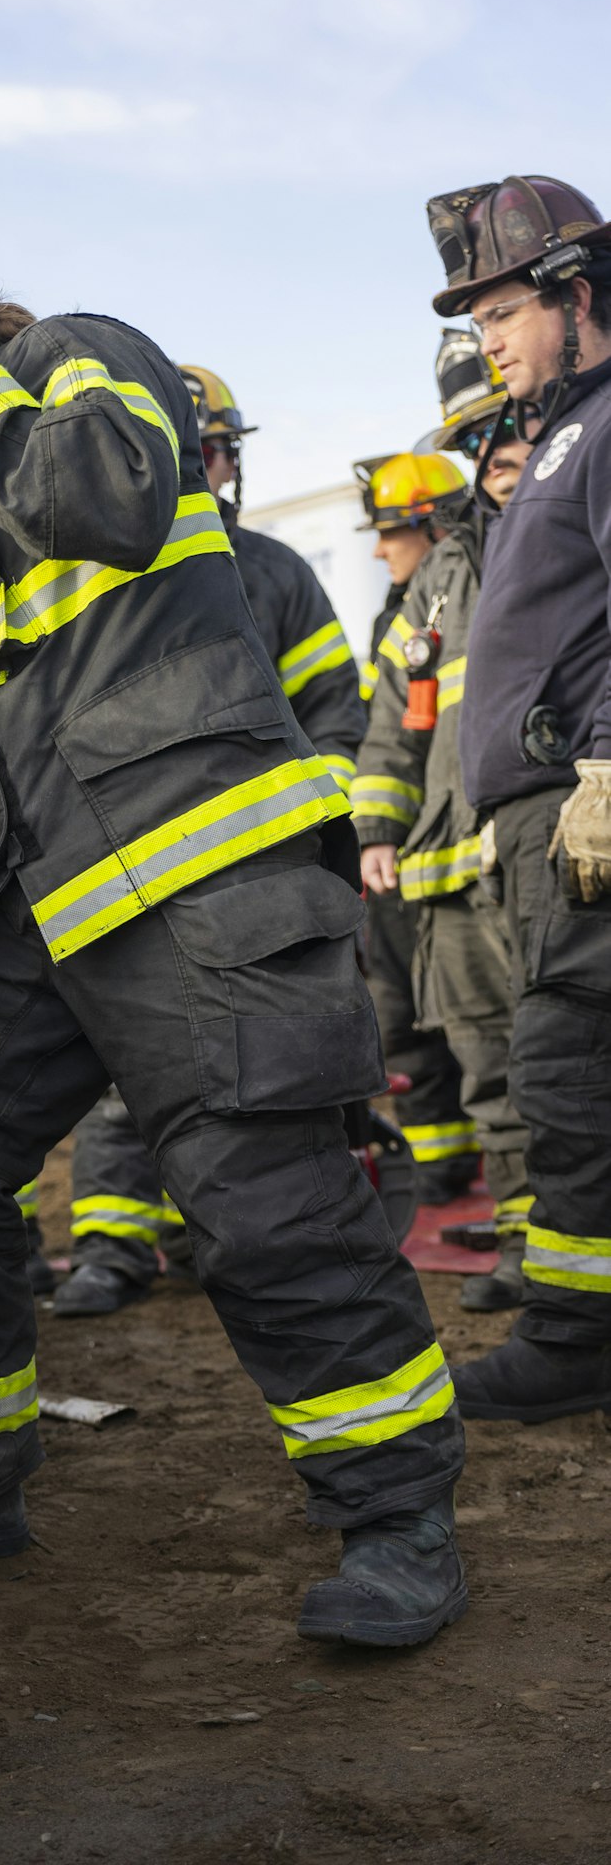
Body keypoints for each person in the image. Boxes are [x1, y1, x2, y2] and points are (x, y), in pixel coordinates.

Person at [0, 218, 467, 1646]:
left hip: (191, 876)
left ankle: (397, 1517)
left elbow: (105, 496)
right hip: (27, 892)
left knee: (265, 1210)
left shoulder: (69, 360)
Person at [56, 365, 364, 1316]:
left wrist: (308, 835)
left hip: (252, 881)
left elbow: (336, 717)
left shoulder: (276, 574)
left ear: (230, 461)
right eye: (191, 449)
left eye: (216, 449)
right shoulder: (102, 573)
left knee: (252, 1069)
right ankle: (111, 1244)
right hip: (123, 866)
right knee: (122, 1066)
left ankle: (214, 1240)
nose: (206, 465)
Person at [422, 176, 611, 1421]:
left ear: (573, 293)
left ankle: (574, 1340)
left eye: (498, 308)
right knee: (572, 1073)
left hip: (582, 807)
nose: (480, 338)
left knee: (570, 1076)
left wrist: (607, 766)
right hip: (538, 820)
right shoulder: (557, 429)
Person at [356, 338, 534, 1313]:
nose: (501, 469)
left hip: (550, 859)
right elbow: (390, 724)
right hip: (451, 880)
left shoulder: (558, 541)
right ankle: (531, 1252)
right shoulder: (431, 586)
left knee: (566, 1067)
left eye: (513, 453)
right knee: (490, 1075)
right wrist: (375, 829)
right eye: (488, 456)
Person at [350, 454, 481, 1208]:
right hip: (407, 852)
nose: (377, 550)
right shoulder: (395, 618)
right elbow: (389, 736)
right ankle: (443, 1162)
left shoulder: (468, 594)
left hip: (461, 846)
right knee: (404, 1013)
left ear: (432, 527)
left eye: (390, 533)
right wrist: (376, 830)